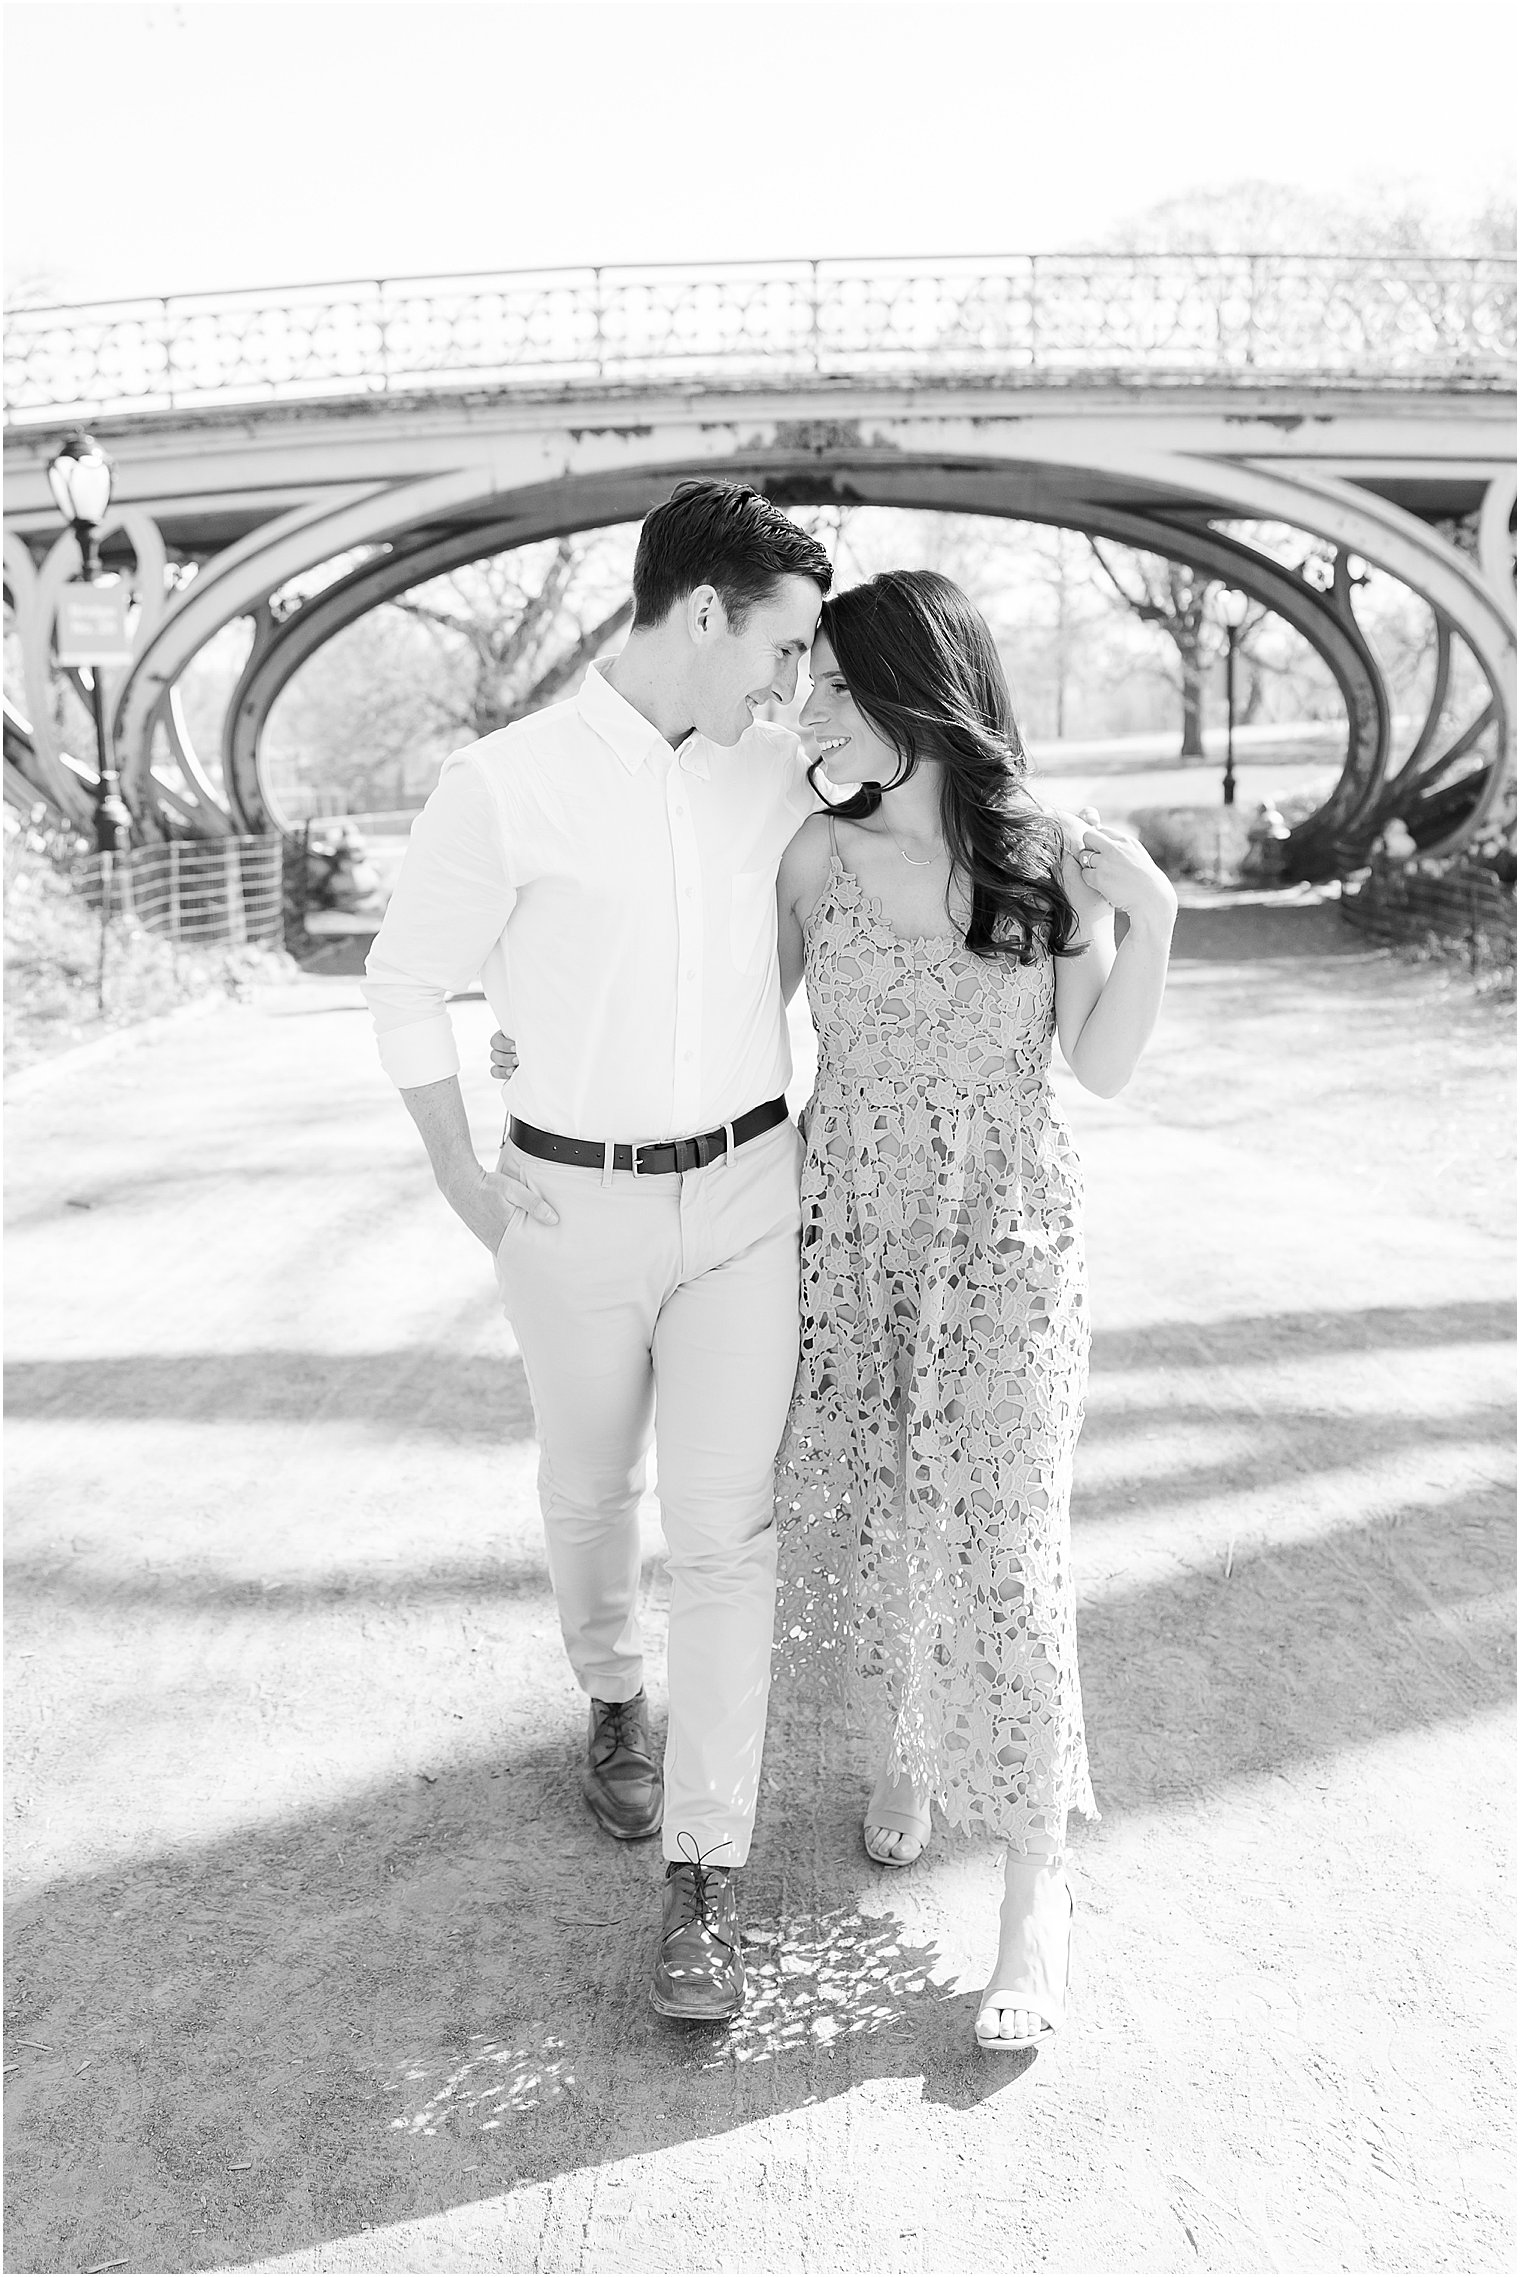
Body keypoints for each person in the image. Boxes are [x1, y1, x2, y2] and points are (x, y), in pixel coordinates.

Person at [361, 480, 832, 2023]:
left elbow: (926, 783)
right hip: (569, 1208)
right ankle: (614, 1695)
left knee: (724, 1527)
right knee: (587, 1491)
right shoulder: (505, 784)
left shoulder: (776, 767)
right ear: (702, 611)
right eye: (779, 644)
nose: (787, 681)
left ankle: (706, 1879)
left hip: (747, 1198)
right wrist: (467, 1184)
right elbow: (405, 976)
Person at [772, 568, 1177, 2055]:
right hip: (851, 1236)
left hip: (1008, 1245)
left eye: (830, 683)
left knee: (1006, 1545)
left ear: (909, 691)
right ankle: (906, 1748)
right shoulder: (812, 857)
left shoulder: (1041, 858)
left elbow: (1106, 1065)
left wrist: (1161, 920)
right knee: (881, 1514)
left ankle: (1030, 1893)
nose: (807, 707)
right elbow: (729, 1043)